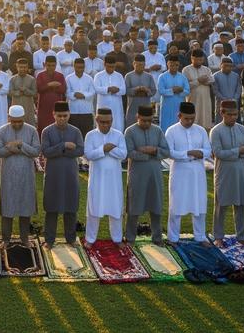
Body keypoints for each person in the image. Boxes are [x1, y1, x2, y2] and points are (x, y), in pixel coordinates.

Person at [164, 101, 210, 242]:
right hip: (180, 170)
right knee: (176, 204)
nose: (190, 121)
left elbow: (208, 150)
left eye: (192, 118)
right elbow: (169, 152)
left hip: (197, 171)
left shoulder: (201, 130)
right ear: (179, 115)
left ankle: (200, 236)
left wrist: (200, 153)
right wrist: (188, 153)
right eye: (186, 118)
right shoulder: (171, 131)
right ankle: (173, 237)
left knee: (199, 203)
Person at [125, 104, 169, 244]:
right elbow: (129, 152)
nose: (147, 123)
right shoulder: (130, 132)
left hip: (155, 173)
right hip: (137, 174)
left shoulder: (157, 130)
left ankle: (157, 237)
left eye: (149, 120)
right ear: (137, 117)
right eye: (143, 120)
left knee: (156, 205)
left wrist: (152, 150)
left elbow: (166, 151)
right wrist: (148, 155)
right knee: (134, 206)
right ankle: (130, 237)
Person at [0, 104, 39, 246]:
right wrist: (13, 149)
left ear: (23, 118)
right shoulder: (2, 131)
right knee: (7, 208)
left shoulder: (31, 130)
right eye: (13, 121)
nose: (16, 124)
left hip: (26, 175)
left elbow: (36, 151)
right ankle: (6, 239)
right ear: (9, 118)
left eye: (19, 121)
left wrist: (20, 145)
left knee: (25, 207)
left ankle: (24, 238)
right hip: (8, 176)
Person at [42, 102, 84, 247]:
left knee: (70, 208)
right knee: (51, 208)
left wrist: (59, 151)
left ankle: (71, 239)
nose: (62, 119)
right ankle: (49, 240)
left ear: (69, 115)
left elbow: (80, 151)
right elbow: (46, 152)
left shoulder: (75, 131)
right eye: (59, 116)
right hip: (53, 175)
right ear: (53, 114)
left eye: (65, 116)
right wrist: (64, 146)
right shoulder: (47, 131)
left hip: (70, 174)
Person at [84, 108, 127, 244]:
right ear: (97, 120)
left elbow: (123, 155)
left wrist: (111, 149)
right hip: (97, 179)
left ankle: (117, 238)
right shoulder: (90, 135)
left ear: (112, 121)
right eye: (102, 122)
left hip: (114, 181)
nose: (105, 125)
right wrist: (103, 149)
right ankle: (90, 239)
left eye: (108, 122)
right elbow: (89, 155)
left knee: (115, 208)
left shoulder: (118, 135)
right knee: (93, 208)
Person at [210, 100, 244, 242]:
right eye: (230, 114)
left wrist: (235, 153)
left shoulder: (242, 129)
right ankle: (218, 236)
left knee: (241, 205)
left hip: (241, 172)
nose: (234, 117)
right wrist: (238, 151)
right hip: (224, 173)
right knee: (221, 205)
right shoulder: (216, 131)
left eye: (236, 114)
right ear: (222, 113)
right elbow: (218, 153)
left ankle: (241, 236)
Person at [182, 50, 214, 129]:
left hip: (205, 99)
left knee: (205, 120)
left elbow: (211, 80)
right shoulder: (186, 70)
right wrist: (198, 81)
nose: (200, 62)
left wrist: (201, 81)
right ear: (192, 58)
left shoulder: (206, 69)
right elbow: (186, 86)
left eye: (201, 60)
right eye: (198, 60)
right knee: (194, 119)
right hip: (193, 99)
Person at [94, 55, 127, 130]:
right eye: (109, 66)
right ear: (104, 64)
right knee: (102, 126)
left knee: (117, 126)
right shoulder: (98, 76)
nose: (111, 68)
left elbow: (124, 91)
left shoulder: (119, 76)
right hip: (103, 105)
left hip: (116, 106)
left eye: (113, 66)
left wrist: (117, 90)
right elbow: (96, 88)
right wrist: (108, 89)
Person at [35, 55, 67, 132]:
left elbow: (63, 90)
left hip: (56, 107)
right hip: (43, 107)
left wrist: (50, 87)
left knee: (57, 127)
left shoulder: (60, 76)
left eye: (53, 65)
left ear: (56, 65)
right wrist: (50, 85)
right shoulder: (40, 75)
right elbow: (39, 89)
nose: (51, 67)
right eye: (48, 65)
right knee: (43, 127)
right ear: (44, 64)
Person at [157, 55, 189, 130]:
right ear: (168, 64)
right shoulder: (162, 76)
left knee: (178, 124)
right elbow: (161, 91)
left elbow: (187, 91)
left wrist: (181, 90)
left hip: (179, 103)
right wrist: (172, 90)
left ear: (179, 65)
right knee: (166, 124)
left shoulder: (182, 77)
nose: (174, 67)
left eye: (176, 65)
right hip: (167, 104)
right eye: (172, 65)